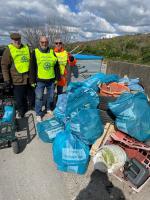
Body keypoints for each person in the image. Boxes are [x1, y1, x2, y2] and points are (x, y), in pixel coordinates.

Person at [1, 33, 35, 118]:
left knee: (31, 95)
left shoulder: (26, 48)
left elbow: (31, 63)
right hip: (17, 79)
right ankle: (21, 112)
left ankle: (31, 108)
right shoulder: (9, 49)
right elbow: (4, 65)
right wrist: (6, 79)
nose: (17, 41)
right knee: (20, 99)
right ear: (12, 40)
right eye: (15, 40)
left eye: (19, 39)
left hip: (28, 78)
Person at [29, 36, 61, 122]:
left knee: (50, 97)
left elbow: (56, 66)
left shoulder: (52, 52)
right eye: (42, 42)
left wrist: (57, 78)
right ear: (39, 42)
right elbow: (32, 67)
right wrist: (32, 80)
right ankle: (38, 113)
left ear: (48, 42)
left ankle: (48, 109)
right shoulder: (35, 52)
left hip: (51, 80)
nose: (44, 44)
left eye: (46, 42)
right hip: (40, 81)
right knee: (39, 97)